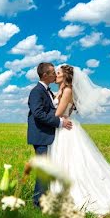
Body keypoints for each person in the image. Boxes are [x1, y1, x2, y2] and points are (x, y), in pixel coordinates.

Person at [47, 64, 110, 216]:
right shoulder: (60, 90)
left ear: (66, 76)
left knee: (73, 163)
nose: (55, 75)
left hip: (66, 130)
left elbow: (57, 114)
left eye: (58, 73)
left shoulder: (68, 90)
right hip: (60, 129)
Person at [27, 62, 73, 207]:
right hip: (41, 135)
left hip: (48, 134)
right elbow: (38, 114)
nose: (55, 74)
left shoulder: (49, 91)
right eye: (53, 72)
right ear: (45, 75)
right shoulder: (37, 91)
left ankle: (44, 198)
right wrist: (59, 122)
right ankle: (38, 203)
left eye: (57, 72)